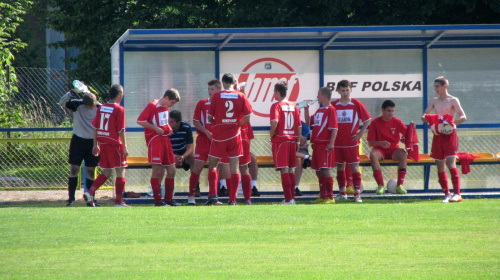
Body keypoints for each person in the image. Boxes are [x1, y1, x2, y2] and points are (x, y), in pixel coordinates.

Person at [206, 73, 252, 205]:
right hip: (234, 135)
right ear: (234, 82)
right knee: (234, 167)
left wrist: (218, 121)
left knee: (213, 165)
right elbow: (248, 116)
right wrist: (236, 124)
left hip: (219, 135)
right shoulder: (241, 96)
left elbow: (210, 117)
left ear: (223, 82)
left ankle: (213, 196)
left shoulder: (217, 96)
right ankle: (233, 200)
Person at [422, 76, 466, 203]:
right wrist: (432, 119)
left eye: (437, 86)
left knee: (450, 163)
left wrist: (452, 124)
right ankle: (446, 193)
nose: (436, 89)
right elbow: (425, 115)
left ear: (445, 86)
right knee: (440, 165)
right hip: (438, 135)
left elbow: (463, 116)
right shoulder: (434, 100)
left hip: (449, 135)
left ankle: (457, 193)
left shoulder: (453, 100)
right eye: (435, 86)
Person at [83, 84, 129, 207]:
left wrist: (96, 144)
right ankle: (119, 202)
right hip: (114, 144)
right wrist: (125, 146)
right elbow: (121, 130)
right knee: (120, 171)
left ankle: (90, 191)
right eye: (122, 93)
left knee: (107, 172)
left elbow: (95, 127)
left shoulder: (101, 108)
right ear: (119, 94)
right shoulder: (119, 109)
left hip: (103, 144)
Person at [137, 88, 181, 207]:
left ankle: (168, 199)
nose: (172, 105)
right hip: (155, 140)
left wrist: (168, 127)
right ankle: (157, 201)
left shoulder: (165, 107)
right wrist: (155, 128)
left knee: (172, 170)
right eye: (172, 102)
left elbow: (163, 121)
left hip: (165, 139)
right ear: (166, 98)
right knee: (157, 171)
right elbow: (140, 120)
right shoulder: (152, 105)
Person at [58, 88, 100, 207]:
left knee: (91, 171)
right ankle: (71, 198)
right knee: (74, 169)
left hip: (93, 141)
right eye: (90, 105)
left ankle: (90, 198)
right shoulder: (77, 105)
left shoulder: (99, 107)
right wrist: (71, 93)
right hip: (78, 141)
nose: (93, 107)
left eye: (94, 104)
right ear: (85, 103)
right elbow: (61, 102)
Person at [331, 80, 372, 203]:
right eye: (342, 90)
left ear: (351, 90)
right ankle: (342, 193)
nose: (345, 93)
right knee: (339, 167)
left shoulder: (356, 103)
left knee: (354, 167)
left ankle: (357, 195)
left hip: (351, 142)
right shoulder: (334, 105)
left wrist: (360, 133)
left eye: (347, 90)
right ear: (338, 91)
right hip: (338, 143)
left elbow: (367, 119)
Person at [188, 79, 220, 205]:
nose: (210, 92)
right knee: (197, 168)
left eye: (212, 89)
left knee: (214, 168)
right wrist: (207, 132)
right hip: (203, 140)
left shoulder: (221, 105)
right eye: (209, 89)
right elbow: (196, 121)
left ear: (219, 90)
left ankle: (213, 196)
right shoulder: (202, 103)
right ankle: (191, 195)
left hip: (216, 141)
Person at [367, 100, 410, 195]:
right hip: (380, 150)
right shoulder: (375, 123)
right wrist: (380, 143)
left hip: (393, 149)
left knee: (403, 153)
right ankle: (380, 185)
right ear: (382, 110)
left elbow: (408, 134)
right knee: (373, 155)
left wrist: (410, 130)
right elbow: (370, 142)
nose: (391, 113)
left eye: (392, 111)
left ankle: (399, 185)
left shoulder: (397, 122)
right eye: (388, 111)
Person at [269, 81, 302, 205]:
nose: (274, 94)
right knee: (290, 170)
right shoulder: (294, 106)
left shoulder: (276, 106)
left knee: (284, 169)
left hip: (281, 140)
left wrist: (271, 134)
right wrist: (298, 140)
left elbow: (274, 122)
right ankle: (291, 198)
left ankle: (288, 199)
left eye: (274, 92)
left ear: (278, 92)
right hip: (292, 140)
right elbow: (299, 126)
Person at [305, 87, 338, 204]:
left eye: (318, 94)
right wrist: (306, 110)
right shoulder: (319, 111)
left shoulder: (331, 110)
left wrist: (331, 143)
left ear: (324, 96)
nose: (317, 96)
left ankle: (330, 197)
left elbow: (334, 128)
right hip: (317, 145)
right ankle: (323, 195)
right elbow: (309, 122)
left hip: (325, 145)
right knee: (318, 171)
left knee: (325, 169)